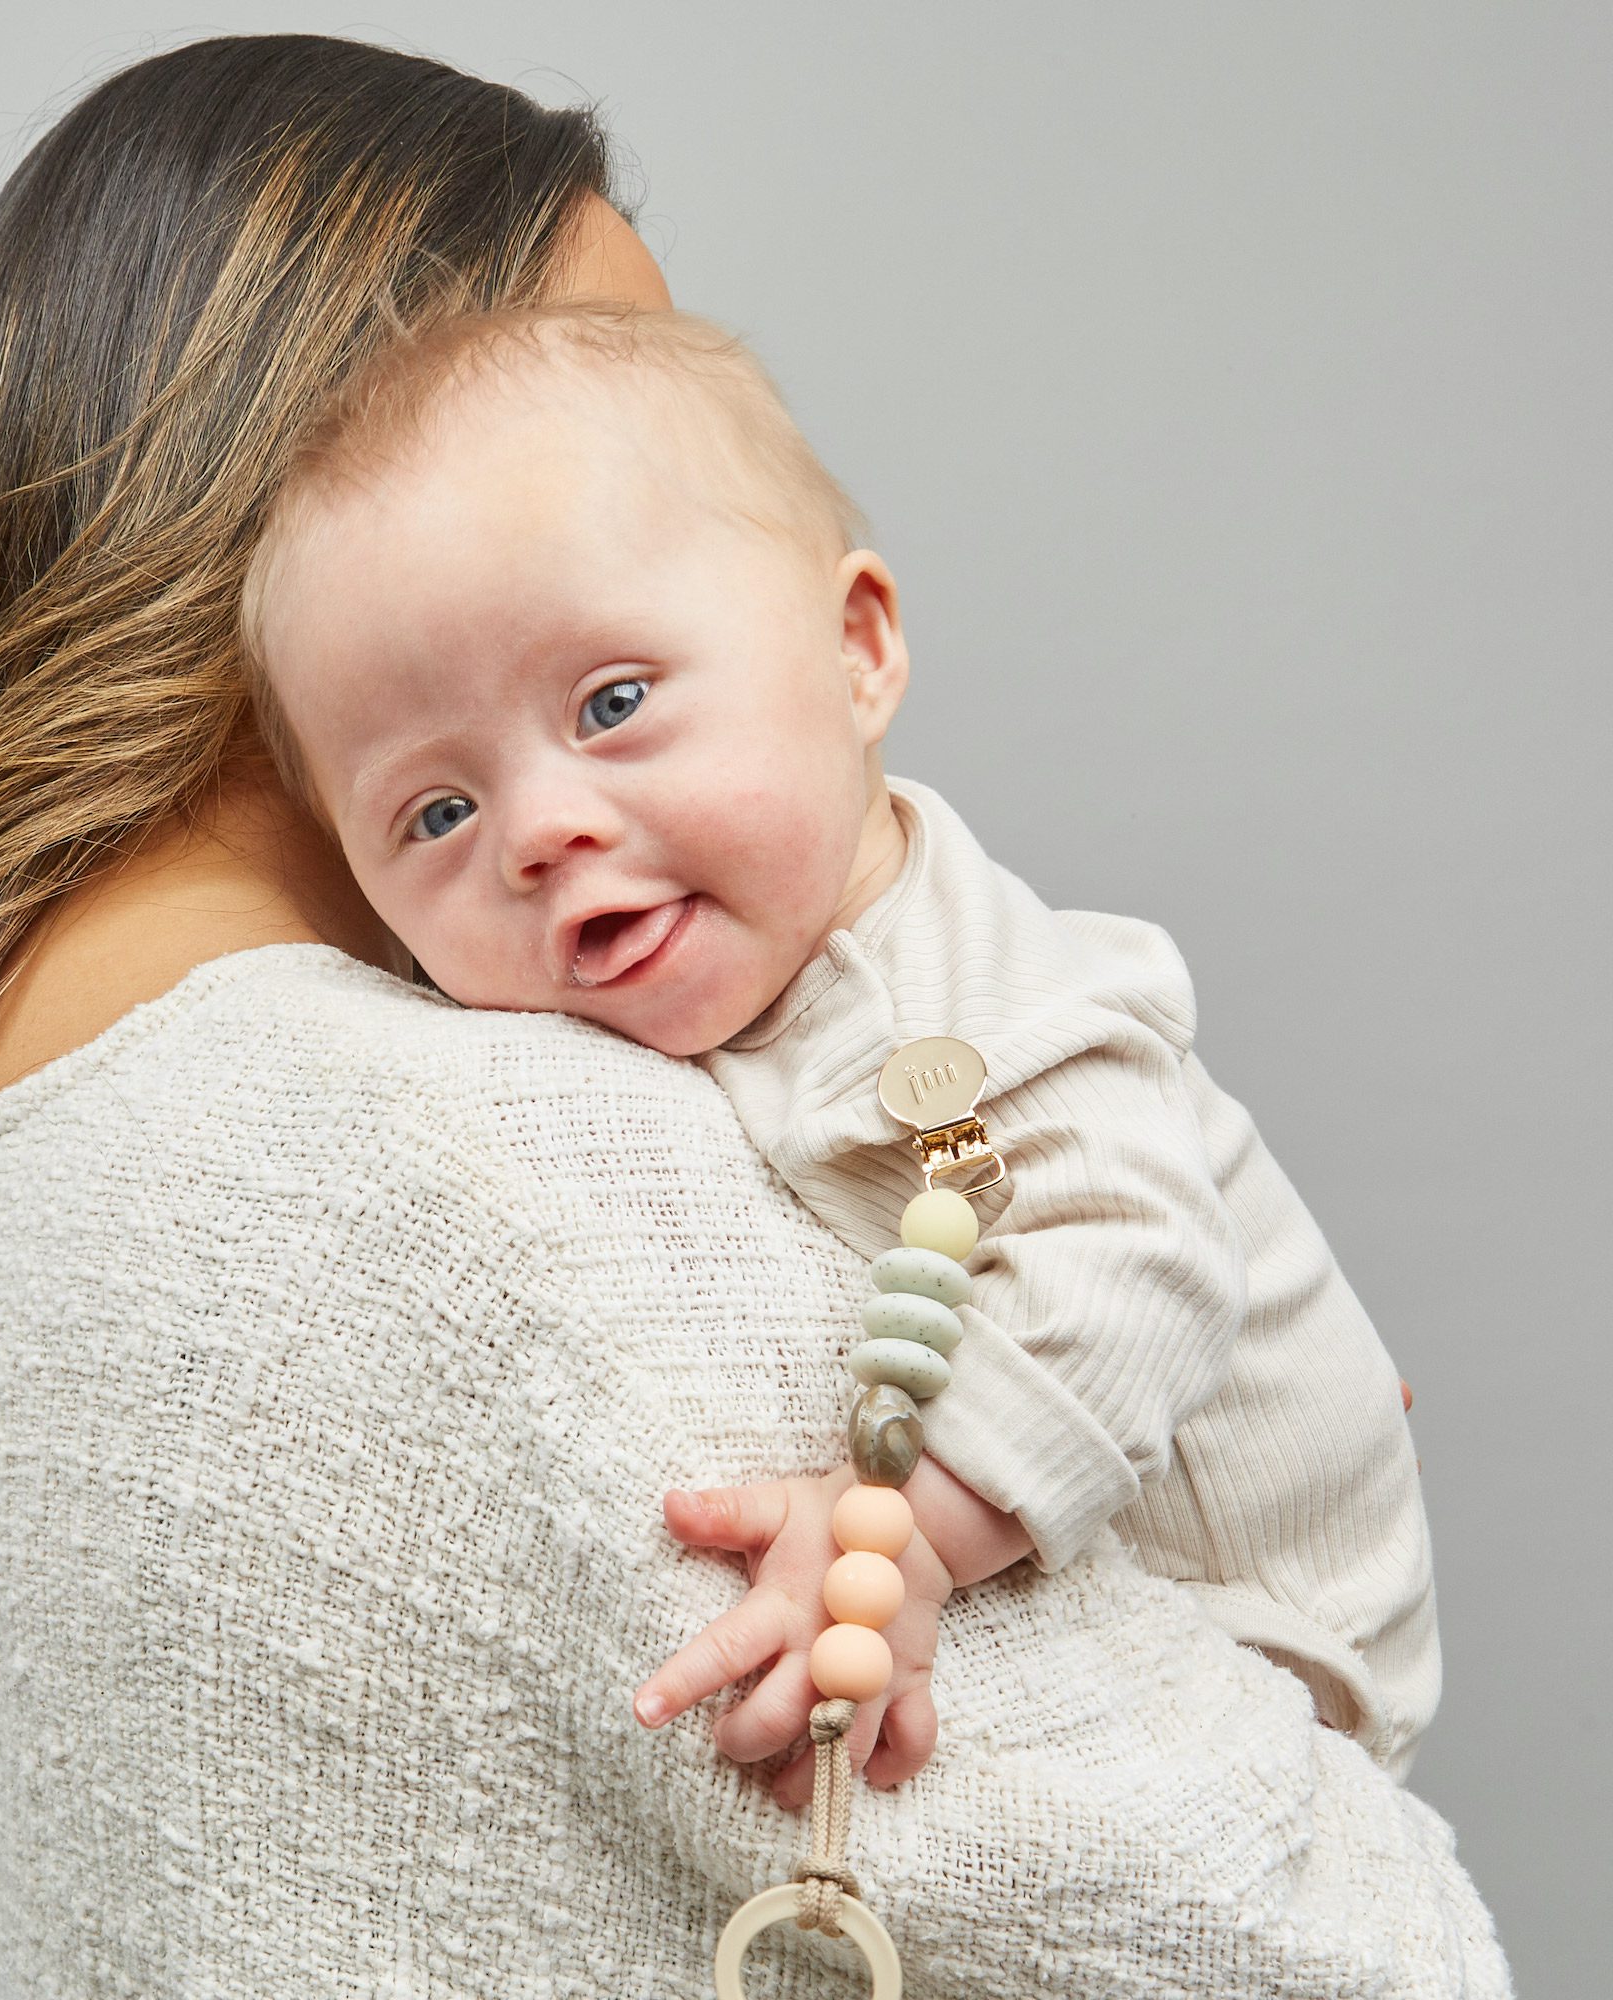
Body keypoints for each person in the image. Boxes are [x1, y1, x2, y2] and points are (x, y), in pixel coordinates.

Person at [0, 32, 1510, 1996]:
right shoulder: (449, 1154)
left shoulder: (49, 1108)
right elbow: (1315, 1938)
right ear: (300, 483)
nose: (557, 826)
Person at [232, 300, 1438, 1785]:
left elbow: (1143, 1267)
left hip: (1280, 1639)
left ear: (857, 650)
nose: (541, 831)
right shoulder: (651, 1014)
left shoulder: (973, 986)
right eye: (436, 813)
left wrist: (900, 1542)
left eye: (613, 703)